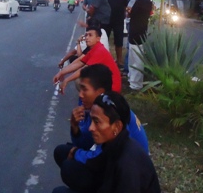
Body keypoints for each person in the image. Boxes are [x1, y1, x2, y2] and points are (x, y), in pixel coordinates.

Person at [53, 65, 150, 193]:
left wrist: (76, 153)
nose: (80, 95)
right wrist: (75, 128)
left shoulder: (113, 115)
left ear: (100, 92)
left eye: (84, 89)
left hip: (116, 174)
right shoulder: (99, 108)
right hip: (110, 164)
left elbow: (100, 156)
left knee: (67, 173)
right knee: (61, 153)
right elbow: (90, 142)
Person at [53, 26, 121, 94]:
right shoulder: (94, 49)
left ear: (98, 39)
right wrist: (61, 73)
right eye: (86, 35)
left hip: (111, 89)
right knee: (83, 81)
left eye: (90, 35)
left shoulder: (100, 51)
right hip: (104, 84)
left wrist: (66, 80)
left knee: (81, 81)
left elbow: (84, 69)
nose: (87, 37)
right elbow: (79, 63)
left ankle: (89, 98)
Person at [128, 0, 154, 91]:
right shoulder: (150, 3)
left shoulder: (139, 2)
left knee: (135, 61)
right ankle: (133, 81)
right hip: (142, 33)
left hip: (134, 33)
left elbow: (130, 14)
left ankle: (135, 84)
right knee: (137, 59)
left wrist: (128, 10)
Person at [106, 0, 129, 69]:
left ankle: (119, 60)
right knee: (104, 39)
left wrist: (124, 14)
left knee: (119, 41)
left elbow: (125, 6)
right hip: (107, 19)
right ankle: (104, 59)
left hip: (119, 20)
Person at [122, 0, 139, 76]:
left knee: (130, 45)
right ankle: (126, 68)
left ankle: (127, 69)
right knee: (129, 45)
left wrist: (129, 11)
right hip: (128, 21)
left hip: (133, 22)